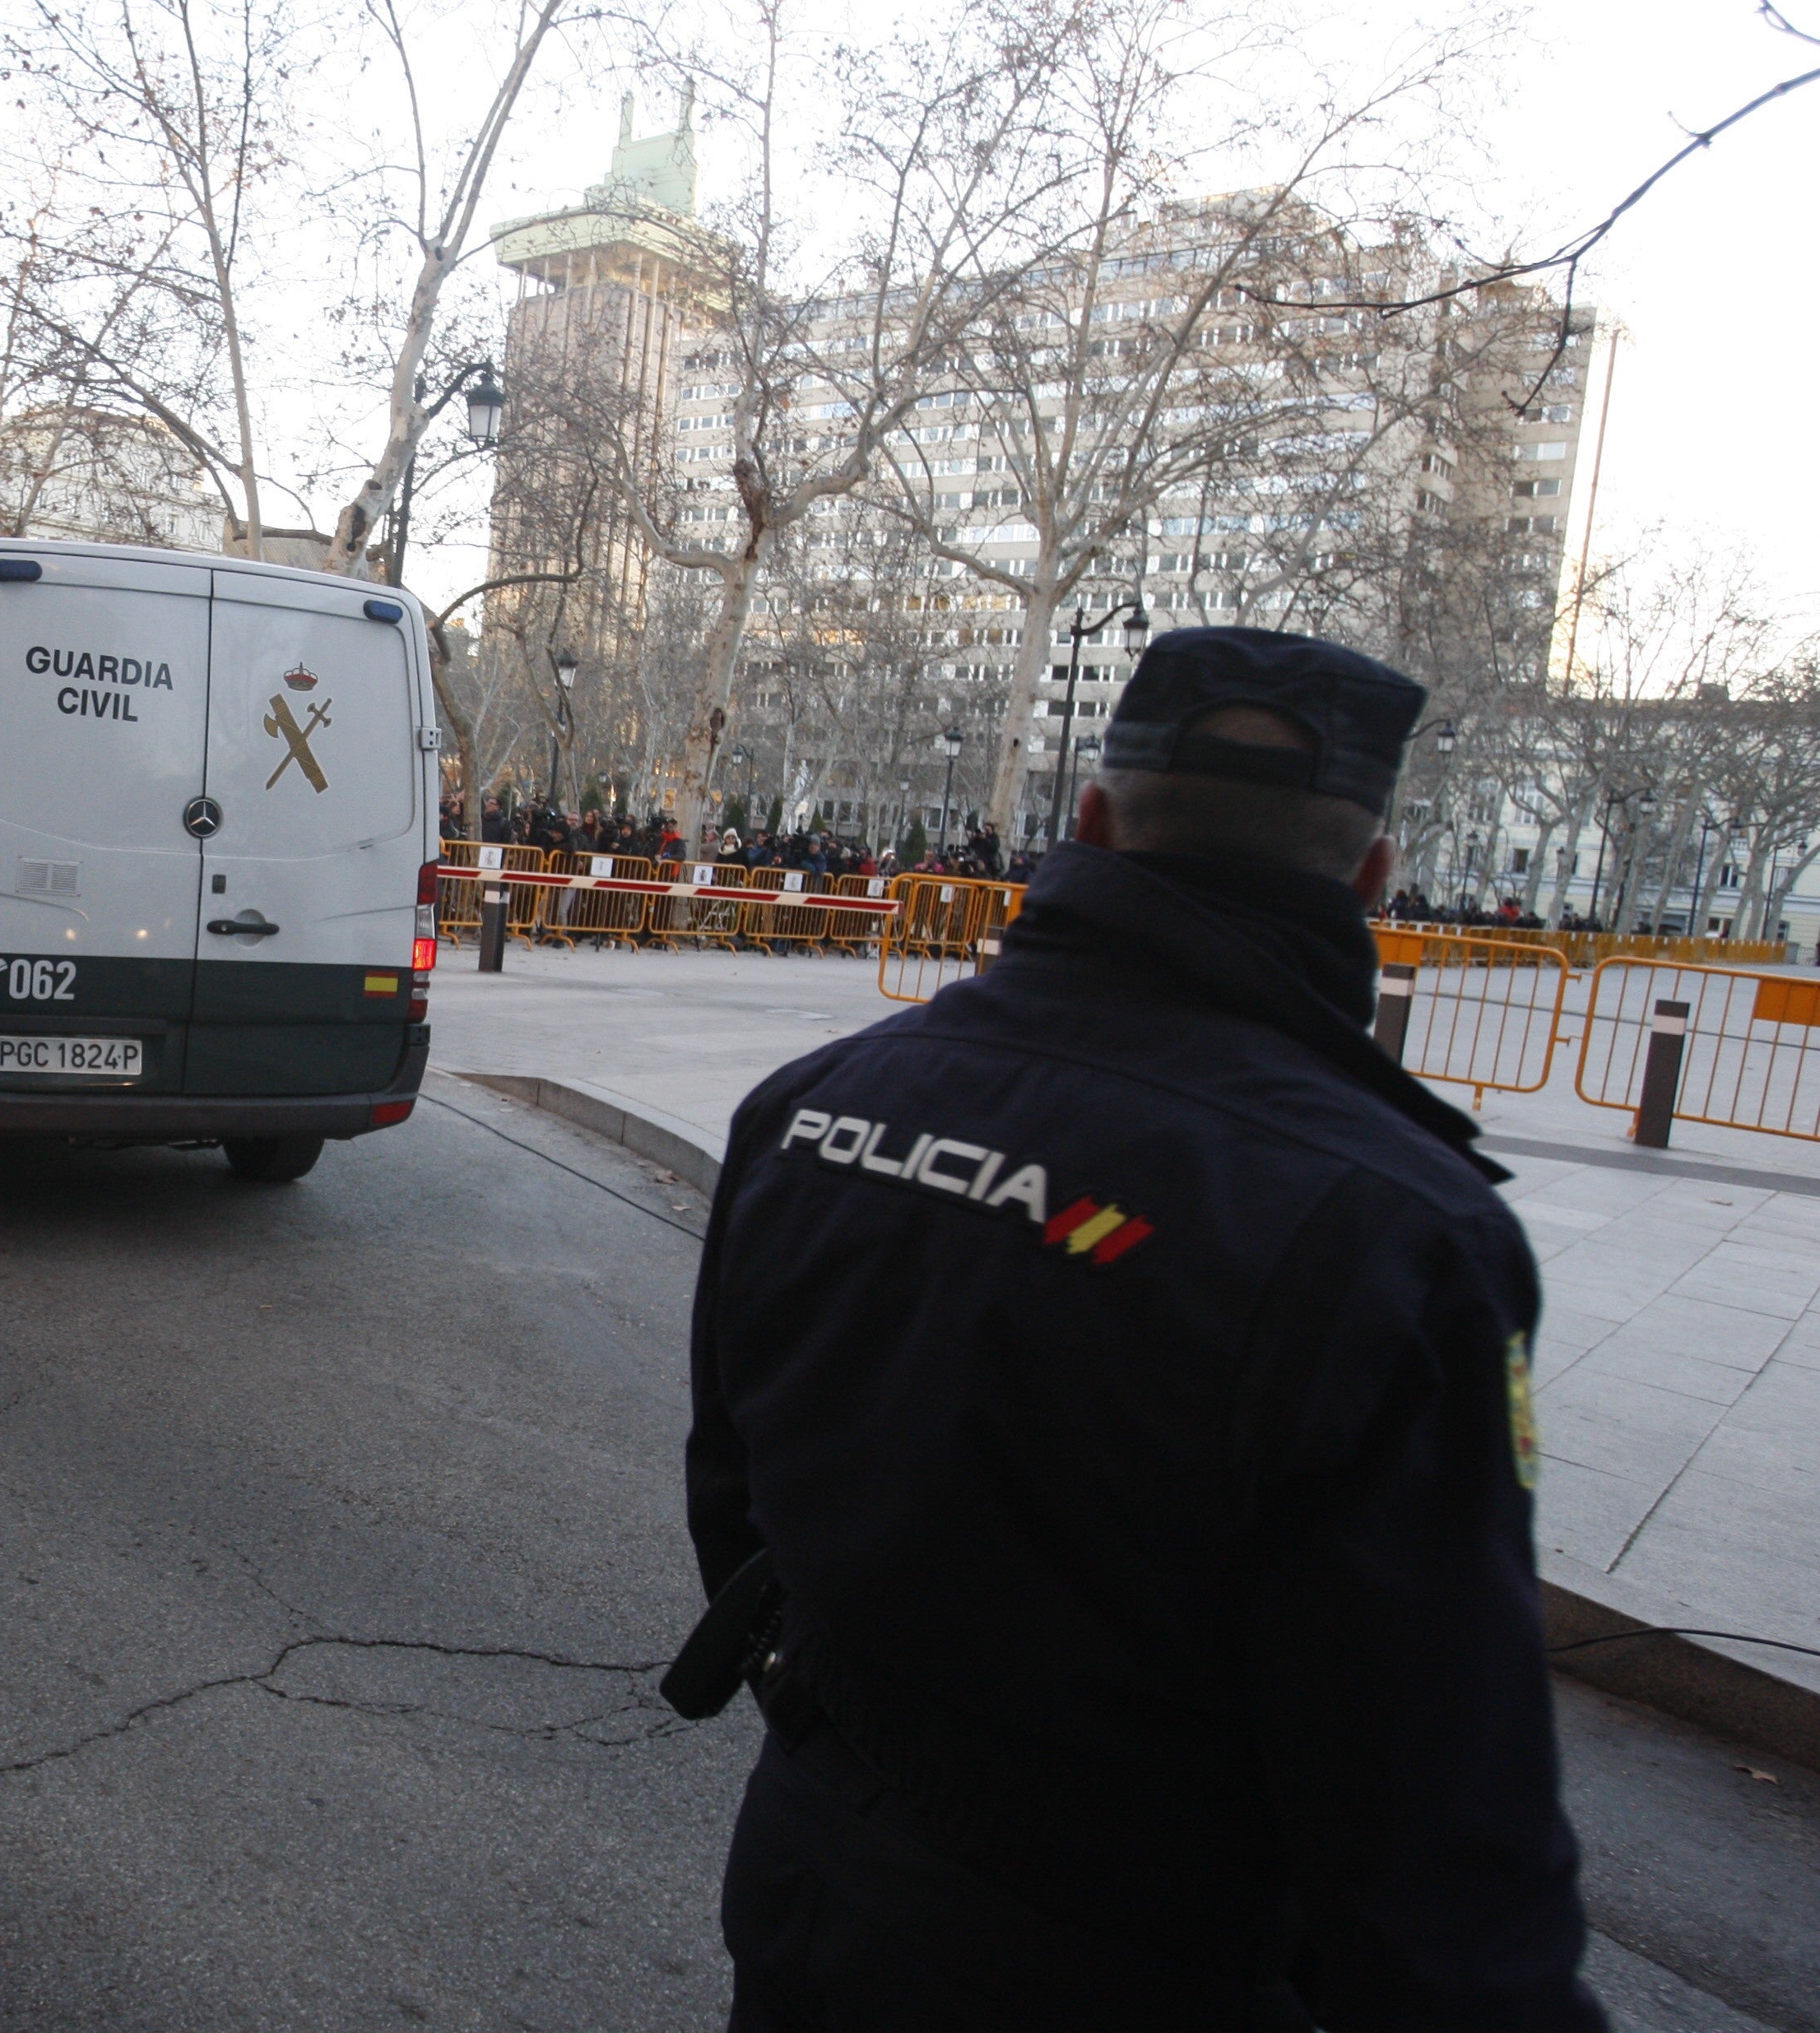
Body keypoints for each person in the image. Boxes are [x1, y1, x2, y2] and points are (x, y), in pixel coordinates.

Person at [685, 627, 1599, 2033]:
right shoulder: (1391, 1236)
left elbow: (733, 1504)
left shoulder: (813, 1103)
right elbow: (1430, 1812)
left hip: (822, 1887)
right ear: (1369, 874)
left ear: (1093, 820)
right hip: (1148, 1960)